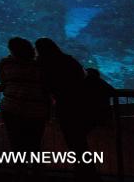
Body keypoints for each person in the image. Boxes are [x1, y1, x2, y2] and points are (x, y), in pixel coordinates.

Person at [35, 38, 95, 181]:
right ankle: (87, 172)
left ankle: (83, 172)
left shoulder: (43, 64)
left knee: (73, 140)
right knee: (79, 141)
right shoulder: (68, 60)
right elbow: (83, 77)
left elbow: (44, 86)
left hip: (64, 106)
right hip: (80, 104)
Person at [0, 37, 50, 157]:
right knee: (35, 143)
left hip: (11, 107)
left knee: (16, 143)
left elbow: (2, 80)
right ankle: (36, 171)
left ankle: (21, 172)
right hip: (36, 109)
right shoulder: (40, 65)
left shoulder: (6, 63)